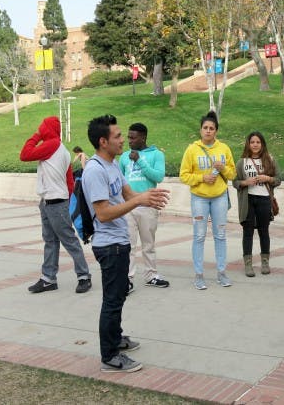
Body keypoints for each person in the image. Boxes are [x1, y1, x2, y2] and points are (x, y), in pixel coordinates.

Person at [82, 114, 170, 373]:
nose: (123, 140)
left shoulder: (112, 165)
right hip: (109, 246)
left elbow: (128, 193)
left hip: (119, 243)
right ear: (103, 141)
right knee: (111, 300)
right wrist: (138, 202)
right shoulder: (95, 170)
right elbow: (103, 213)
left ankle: (116, 339)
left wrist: (147, 196)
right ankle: (109, 356)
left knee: (118, 296)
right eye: (118, 136)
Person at [20, 116, 92, 294]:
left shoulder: (51, 145)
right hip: (50, 202)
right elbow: (69, 181)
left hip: (55, 202)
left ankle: (84, 276)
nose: (40, 129)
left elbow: (25, 154)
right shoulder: (64, 150)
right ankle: (48, 279)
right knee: (51, 241)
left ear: (47, 129)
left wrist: (36, 137)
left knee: (67, 240)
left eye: (42, 127)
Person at [179, 111, 237, 290]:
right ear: (200, 130)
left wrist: (223, 168)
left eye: (212, 128)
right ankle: (199, 275)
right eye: (205, 128)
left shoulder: (224, 149)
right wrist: (201, 178)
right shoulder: (192, 149)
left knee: (220, 235)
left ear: (216, 131)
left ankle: (221, 273)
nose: (208, 131)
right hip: (199, 199)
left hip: (219, 197)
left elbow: (233, 174)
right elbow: (184, 175)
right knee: (199, 236)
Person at [119, 122, 169, 293]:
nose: (129, 140)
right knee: (129, 245)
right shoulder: (124, 156)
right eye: (128, 137)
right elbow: (119, 178)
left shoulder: (156, 154)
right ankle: (127, 279)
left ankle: (151, 275)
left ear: (143, 138)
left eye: (133, 137)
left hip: (148, 205)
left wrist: (140, 161)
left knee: (148, 244)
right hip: (128, 206)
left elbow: (158, 176)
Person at [233, 131, 281, 277]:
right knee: (247, 232)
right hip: (248, 200)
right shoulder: (242, 162)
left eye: (258, 142)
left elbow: (278, 179)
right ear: (248, 144)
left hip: (264, 199)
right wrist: (245, 182)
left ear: (262, 144)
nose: (255, 145)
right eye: (252, 142)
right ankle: (248, 264)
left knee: (263, 231)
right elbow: (235, 182)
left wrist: (268, 178)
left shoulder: (270, 160)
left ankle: (265, 262)